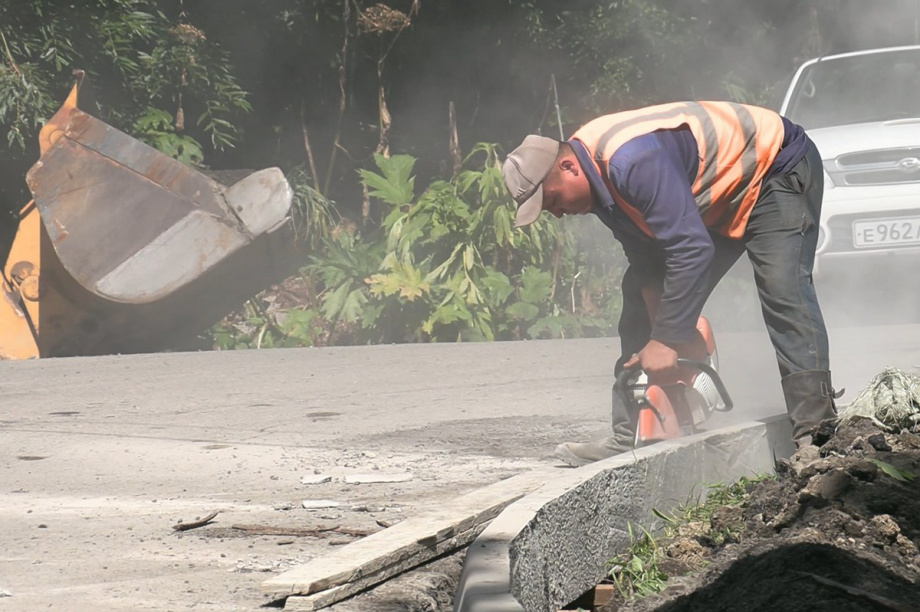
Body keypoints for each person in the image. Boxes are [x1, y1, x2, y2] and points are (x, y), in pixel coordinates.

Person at [502, 101, 841, 467]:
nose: (555, 212)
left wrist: (665, 340)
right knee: (637, 289)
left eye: (551, 199)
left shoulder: (631, 163)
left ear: (568, 168)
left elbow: (692, 250)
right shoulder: (599, 185)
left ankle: (817, 433)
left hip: (774, 167)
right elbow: (648, 264)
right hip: (720, 190)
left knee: (781, 287)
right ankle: (635, 432)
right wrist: (667, 333)